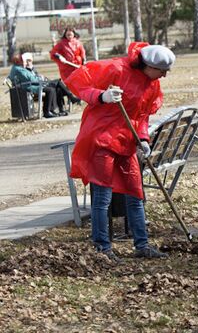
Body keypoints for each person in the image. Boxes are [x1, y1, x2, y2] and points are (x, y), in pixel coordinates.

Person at [64, 42, 174, 262]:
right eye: (161, 71)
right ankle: (102, 247)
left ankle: (142, 245)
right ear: (148, 65)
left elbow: (141, 117)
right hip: (101, 138)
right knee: (103, 197)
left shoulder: (152, 85)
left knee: (135, 194)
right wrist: (101, 96)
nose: (163, 76)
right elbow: (78, 83)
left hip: (126, 142)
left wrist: (143, 139)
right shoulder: (116, 68)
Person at [8, 53, 60, 118]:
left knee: (51, 88)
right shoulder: (19, 70)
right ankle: (47, 112)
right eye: (22, 59)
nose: (24, 61)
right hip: (27, 88)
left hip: (26, 86)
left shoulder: (17, 68)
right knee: (50, 90)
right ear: (18, 61)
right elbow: (31, 79)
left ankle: (49, 111)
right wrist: (41, 79)